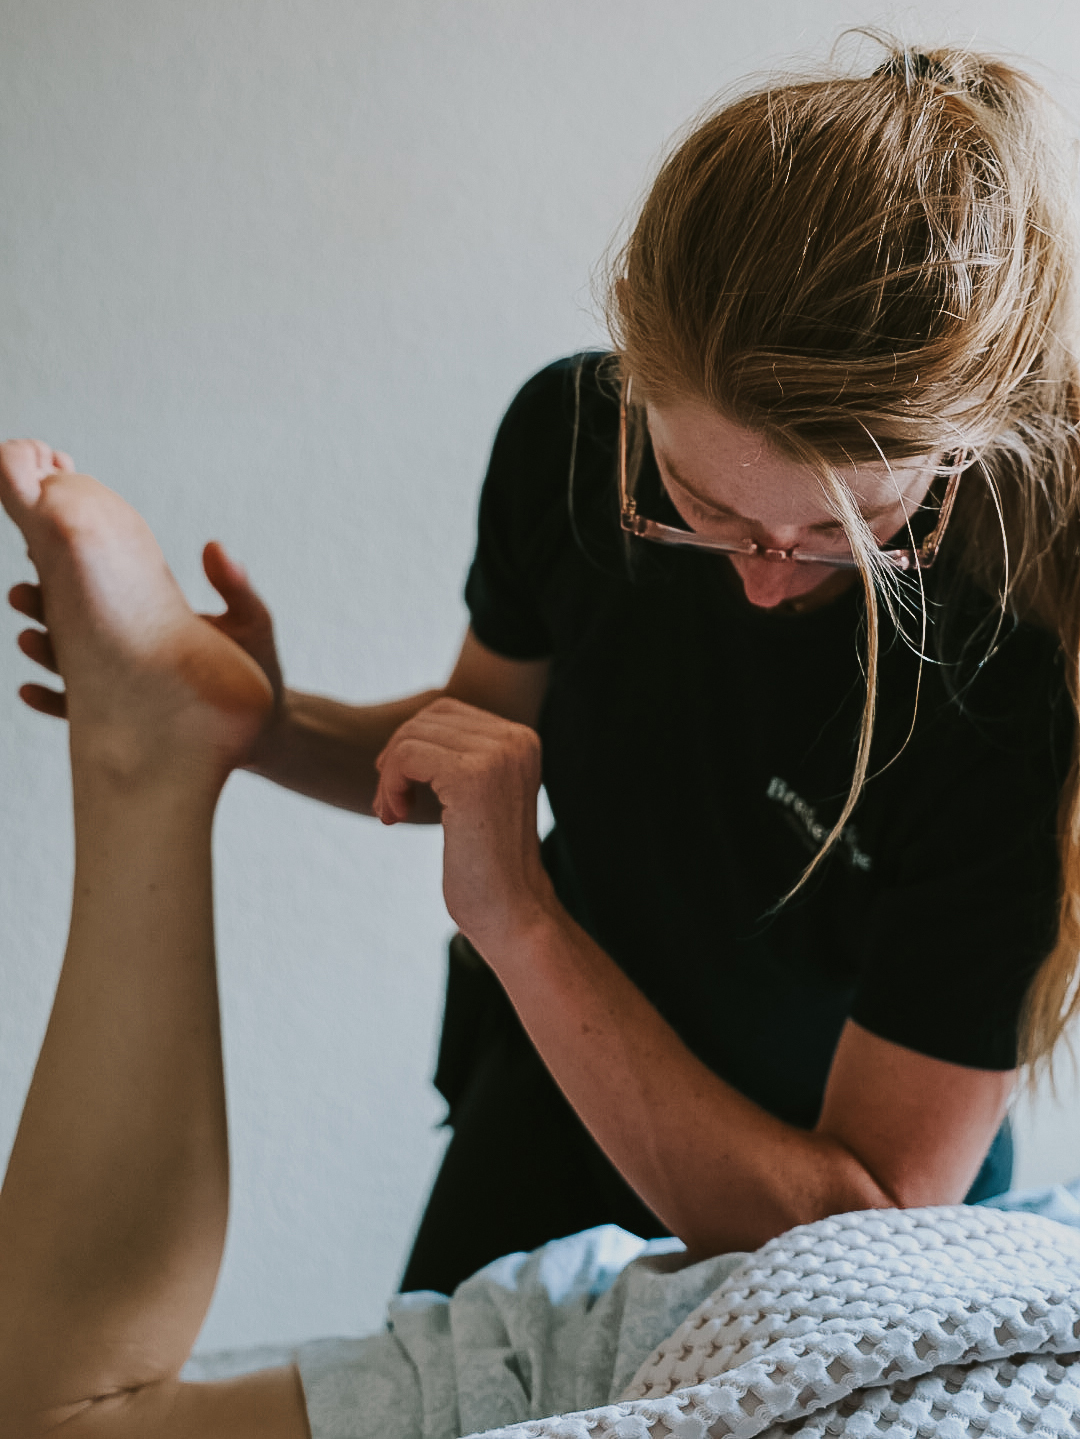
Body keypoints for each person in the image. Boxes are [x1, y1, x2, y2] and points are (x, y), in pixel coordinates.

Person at [4, 36, 1080, 1438]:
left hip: (823, 1216)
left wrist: (520, 922)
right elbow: (478, 746)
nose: (761, 571)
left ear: (957, 454)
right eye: (702, 505)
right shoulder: (569, 439)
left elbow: (857, 1214)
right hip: (553, 1095)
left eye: (847, 532)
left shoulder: (1013, 678)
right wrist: (257, 725)